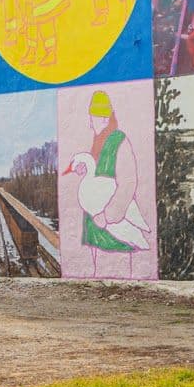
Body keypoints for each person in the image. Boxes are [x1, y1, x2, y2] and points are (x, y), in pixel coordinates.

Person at [63, 89, 151, 279]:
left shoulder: (119, 141)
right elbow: (98, 175)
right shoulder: (99, 142)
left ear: (103, 118)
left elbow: (128, 183)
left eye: (93, 117)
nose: (90, 122)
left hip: (114, 230)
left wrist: (109, 215)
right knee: (99, 280)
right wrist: (84, 171)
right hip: (97, 230)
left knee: (115, 280)